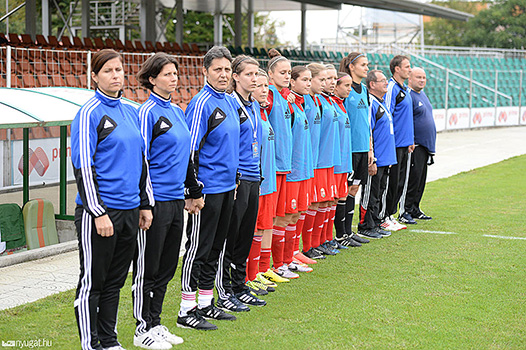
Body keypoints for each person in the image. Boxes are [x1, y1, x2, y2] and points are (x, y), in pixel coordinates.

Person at [71, 49, 154, 350]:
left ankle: (109, 340)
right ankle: (89, 344)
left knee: (115, 281)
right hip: (100, 213)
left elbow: (141, 161)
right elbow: (82, 167)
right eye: (108, 70)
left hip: (131, 210)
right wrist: (97, 212)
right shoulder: (89, 113)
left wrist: (145, 204)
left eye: (119, 69)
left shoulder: (131, 111)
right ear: (94, 76)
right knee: (93, 282)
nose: (115, 75)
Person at [132, 52, 197, 349]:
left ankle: (156, 323)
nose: (173, 78)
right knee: (148, 266)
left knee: (168, 265)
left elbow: (185, 158)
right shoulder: (146, 112)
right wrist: (144, 202)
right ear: (152, 78)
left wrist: (192, 191)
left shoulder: (178, 111)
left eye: (175, 74)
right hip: (154, 201)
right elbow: (141, 158)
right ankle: (141, 328)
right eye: (167, 74)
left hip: (175, 201)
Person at [178, 46, 239, 330]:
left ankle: (205, 303)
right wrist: (193, 191)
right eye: (218, 69)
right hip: (207, 190)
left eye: (227, 69)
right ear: (205, 72)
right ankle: (186, 309)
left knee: (215, 248)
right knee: (198, 250)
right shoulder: (201, 103)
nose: (224, 74)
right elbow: (190, 151)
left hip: (228, 188)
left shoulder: (229, 101)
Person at [216, 55, 267, 310]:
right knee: (230, 238)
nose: (254, 79)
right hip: (236, 180)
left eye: (256, 74)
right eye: (249, 74)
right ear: (235, 77)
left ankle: (239, 285)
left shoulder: (254, 105)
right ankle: (223, 290)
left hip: (253, 177)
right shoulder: (229, 104)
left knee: (245, 237)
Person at [260, 49, 299, 281]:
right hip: (272, 166)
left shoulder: (283, 95)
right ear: (270, 74)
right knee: (270, 219)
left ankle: (277, 263)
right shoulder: (272, 94)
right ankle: (268, 265)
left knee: (277, 217)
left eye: (288, 72)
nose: (287, 76)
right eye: (282, 72)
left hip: (283, 164)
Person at [245, 68, 282, 288]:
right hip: (254, 181)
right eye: (259, 85)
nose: (263, 90)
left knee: (262, 226)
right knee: (252, 228)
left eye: (266, 86)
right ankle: (248, 275)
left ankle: (259, 270)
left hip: (267, 179)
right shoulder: (249, 113)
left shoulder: (262, 112)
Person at [339, 52, 373, 246]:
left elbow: (365, 122)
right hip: (349, 149)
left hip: (362, 148)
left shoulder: (364, 90)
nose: (366, 68)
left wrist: (370, 150)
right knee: (345, 190)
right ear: (351, 67)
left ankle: (349, 232)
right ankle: (340, 234)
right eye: (363, 64)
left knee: (354, 190)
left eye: (367, 65)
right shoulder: (346, 88)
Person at [357, 70, 395, 240]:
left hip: (386, 158)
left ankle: (376, 222)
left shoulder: (382, 102)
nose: (386, 83)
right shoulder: (371, 102)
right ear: (372, 84)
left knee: (379, 192)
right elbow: (368, 130)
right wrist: (371, 157)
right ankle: (366, 225)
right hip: (376, 158)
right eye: (382, 81)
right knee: (370, 193)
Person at [383, 55, 414, 228]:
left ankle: (391, 215)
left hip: (404, 144)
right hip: (393, 145)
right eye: (407, 66)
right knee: (391, 182)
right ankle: (385, 216)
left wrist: (410, 140)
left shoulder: (405, 89)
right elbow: (387, 116)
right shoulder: (391, 88)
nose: (410, 69)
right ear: (397, 69)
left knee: (400, 182)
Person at [401, 67, 435, 220]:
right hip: (415, 146)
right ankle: (405, 210)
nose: (422, 80)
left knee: (420, 180)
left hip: (425, 146)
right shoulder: (409, 95)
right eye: (418, 77)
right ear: (410, 78)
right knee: (412, 180)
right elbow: (405, 120)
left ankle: (415, 208)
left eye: (424, 77)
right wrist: (410, 139)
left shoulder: (422, 95)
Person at [331, 72, 355, 248]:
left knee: (341, 196)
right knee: (331, 200)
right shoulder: (330, 104)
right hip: (333, 162)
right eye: (346, 85)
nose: (349, 89)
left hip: (344, 161)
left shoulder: (340, 104)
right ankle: (338, 236)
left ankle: (339, 236)